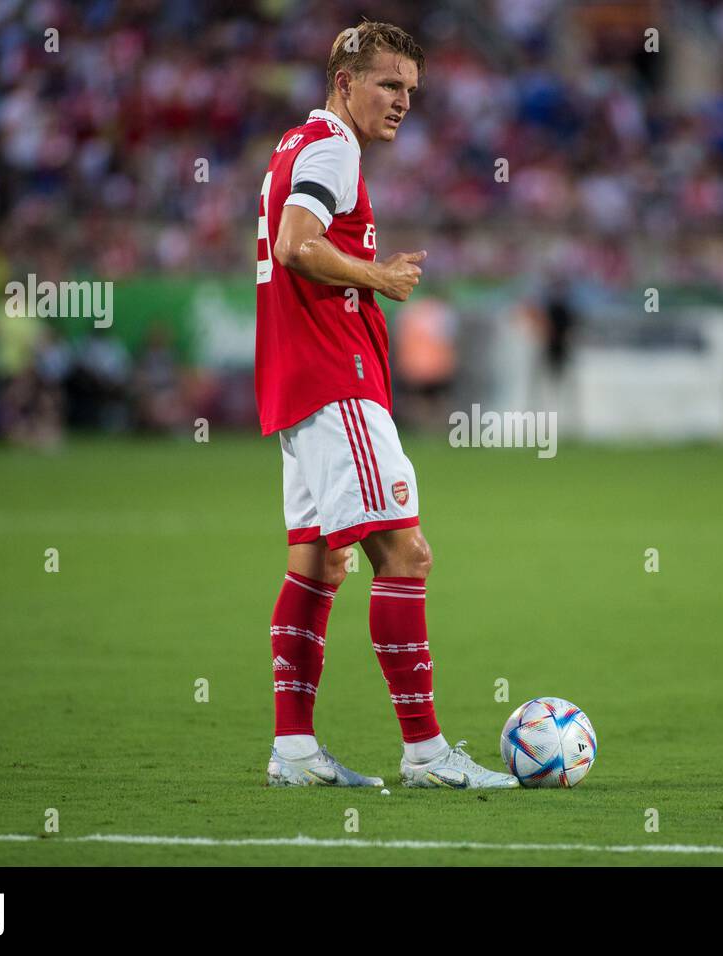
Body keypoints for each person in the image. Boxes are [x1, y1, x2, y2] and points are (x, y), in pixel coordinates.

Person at [254, 20, 517, 789]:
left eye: (410, 90)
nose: (403, 102)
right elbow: (298, 244)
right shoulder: (334, 149)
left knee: (318, 562)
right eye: (389, 85)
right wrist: (379, 277)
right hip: (336, 382)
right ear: (344, 83)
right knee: (406, 556)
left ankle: (294, 751)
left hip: (297, 389)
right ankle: (427, 755)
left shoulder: (288, 148)